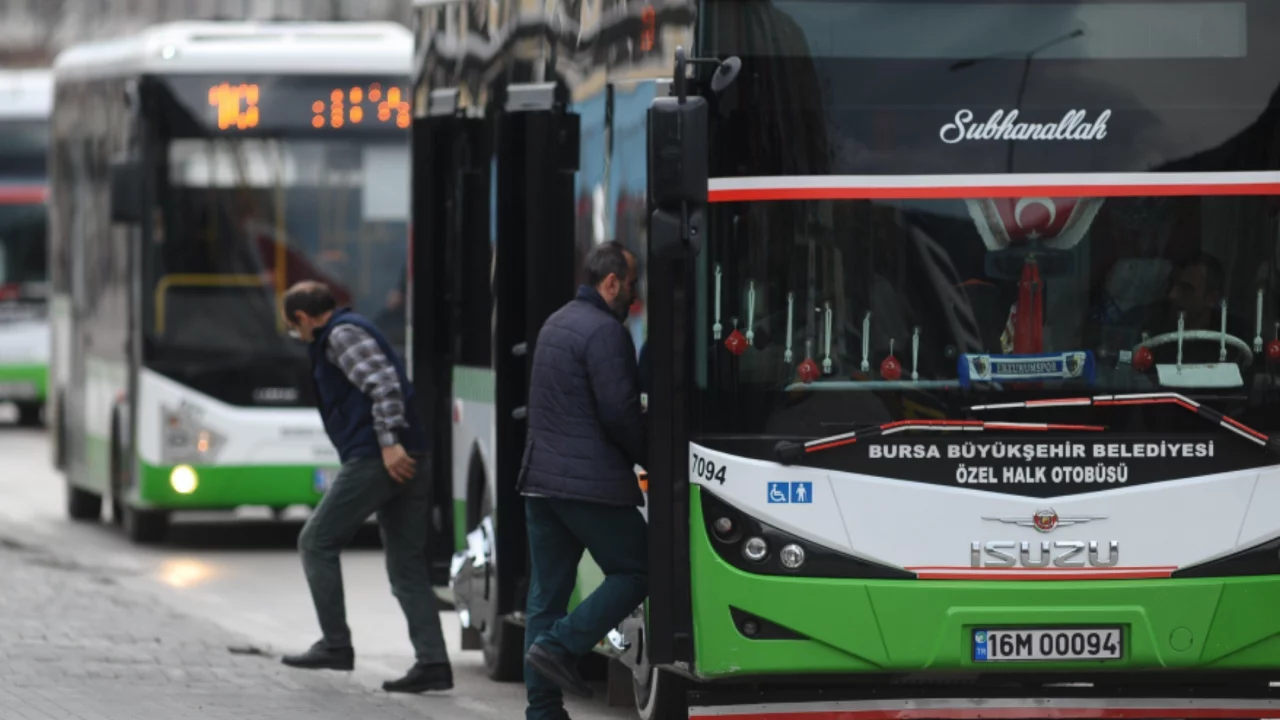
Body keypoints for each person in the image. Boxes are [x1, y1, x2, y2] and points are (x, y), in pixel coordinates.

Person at [278, 280, 452, 694]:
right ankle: (433, 663)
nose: (296, 334)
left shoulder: (340, 335)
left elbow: (384, 385)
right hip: (409, 455)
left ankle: (336, 644)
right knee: (406, 566)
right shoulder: (347, 330)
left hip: (380, 457)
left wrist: (389, 443)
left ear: (303, 318)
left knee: (315, 541)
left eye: (293, 326)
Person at [518, 241, 648, 720]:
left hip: (541, 482)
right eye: (631, 287)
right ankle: (561, 644)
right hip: (586, 485)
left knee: (546, 596)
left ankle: (543, 711)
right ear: (610, 282)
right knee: (641, 567)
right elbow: (619, 414)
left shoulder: (557, 322)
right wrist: (650, 456)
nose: (633, 300)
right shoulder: (606, 333)